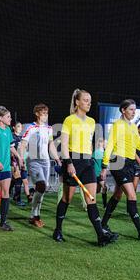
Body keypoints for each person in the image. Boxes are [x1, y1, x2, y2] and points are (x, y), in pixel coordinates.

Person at [53, 89, 116, 247]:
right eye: (86, 100)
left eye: (90, 100)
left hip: (87, 162)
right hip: (73, 160)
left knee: (91, 200)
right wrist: (68, 163)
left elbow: (88, 144)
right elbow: (65, 145)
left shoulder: (91, 122)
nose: (89, 103)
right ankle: (58, 230)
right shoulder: (69, 120)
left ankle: (100, 235)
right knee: (67, 199)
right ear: (77, 102)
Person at [100, 99, 140, 241]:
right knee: (132, 195)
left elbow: (139, 145)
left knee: (117, 195)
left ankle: (103, 224)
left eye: (135, 110)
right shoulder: (118, 124)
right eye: (131, 110)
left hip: (129, 163)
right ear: (123, 110)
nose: (134, 112)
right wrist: (104, 166)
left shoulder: (133, 127)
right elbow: (110, 145)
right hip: (118, 161)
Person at [19, 103, 61, 227]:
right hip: (33, 161)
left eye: (47, 114)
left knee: (42, 188)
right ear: (37, 114)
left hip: (46, 161)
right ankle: (36, 215)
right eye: (43, 114)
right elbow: (23, 144)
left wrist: (57, 158)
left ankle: (34, 215)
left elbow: (51, 145)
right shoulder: (30, 128)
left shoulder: (49, 128)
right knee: (42, 185)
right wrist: (21, 158)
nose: (45, 116)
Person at [11, 121, 30, 206]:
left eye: (21, 127)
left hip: (22, 161)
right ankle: (18, 199)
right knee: (18, 180)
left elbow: (24, 150)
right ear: (14, 127)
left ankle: (27, 197)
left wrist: (24, 160)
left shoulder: (23, 138)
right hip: (14, 161)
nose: (20, 128)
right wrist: (14, 161)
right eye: (18, 126)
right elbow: (10, 149)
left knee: (25, 181)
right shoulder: (11, 137)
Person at [93, 138, 108, 208]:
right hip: (97, 173)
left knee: (99, 190)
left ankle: (104, 205)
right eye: (105, 143)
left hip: (100, 173)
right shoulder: (98, 152)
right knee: (104, 187)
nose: (106, 144)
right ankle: (104, 205)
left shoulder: (103, 152)